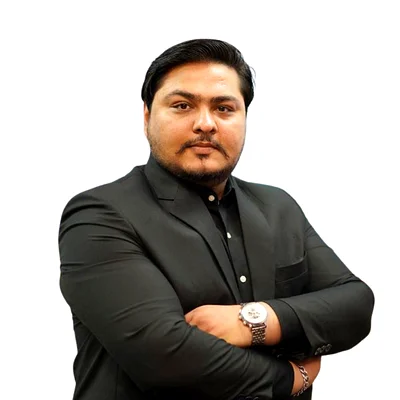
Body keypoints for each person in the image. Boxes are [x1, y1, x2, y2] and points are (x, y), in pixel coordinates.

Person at [58, 38, 374, 400]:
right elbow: (165, 355)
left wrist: (256, 320)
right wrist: (290, 378)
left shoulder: (277, 206)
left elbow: (355, 304)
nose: (205, 124)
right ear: (146, 117)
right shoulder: (100, 215)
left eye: (224, 108)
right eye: (182, 106)